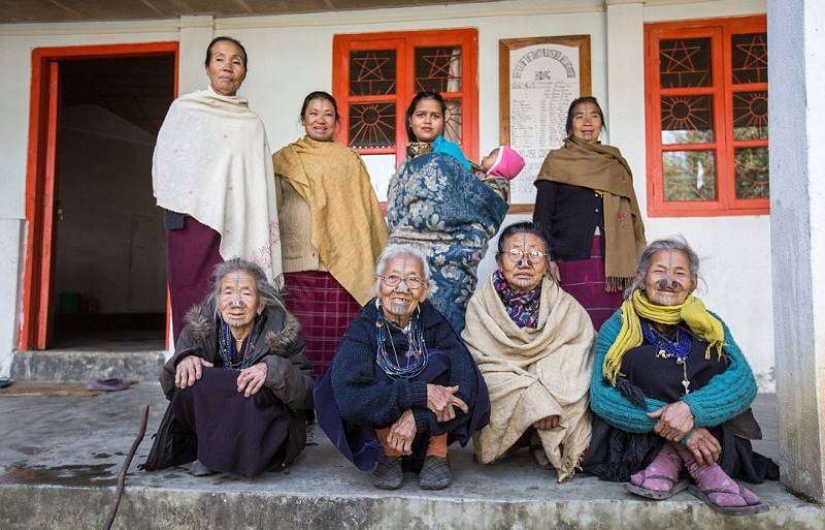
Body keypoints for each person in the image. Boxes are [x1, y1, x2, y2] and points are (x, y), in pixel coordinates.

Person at [583, 238, 776, 515]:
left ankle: (672, 460)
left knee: (715, 358)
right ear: (642, 277)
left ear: (693, 282)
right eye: (659, 271)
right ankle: (703, 468)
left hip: (712, 438)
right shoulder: (619, 324)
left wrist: (691, 409)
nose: (669, 280)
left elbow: (744, 380)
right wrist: (684, 433)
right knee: (640, 360)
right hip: (641, 444)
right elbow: (602, 396)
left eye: (680, 273)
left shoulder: (711, 324)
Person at [314, 244, 490, 490]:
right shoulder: (363, 327)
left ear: (425, 290)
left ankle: (436, 453)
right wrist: (421, 394)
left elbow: (467, 388)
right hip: (379, 427)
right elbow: (350, 398)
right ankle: (389, 453)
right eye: (393, 278)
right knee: (370, 369)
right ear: (379, 284)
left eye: (413, 280)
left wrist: (417, 417)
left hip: (431, 428)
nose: (402, 288)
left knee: (444, 362)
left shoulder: (435, 323)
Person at [153, 36, 281, 341]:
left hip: (239, 224)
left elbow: (257, 180)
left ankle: (233, 367)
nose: (228, 66)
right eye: (220, 59)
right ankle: (191, 366)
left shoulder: (251, 123)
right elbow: (167, 162)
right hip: (192, 221)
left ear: (244, 72)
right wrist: (176, 210)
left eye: (236, 61)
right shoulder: (185, 109)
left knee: (237, 293)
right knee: (191, 296)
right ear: (208, 67)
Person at [142, 259, 312, 477]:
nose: (236, 302)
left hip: (258, 435)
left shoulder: (282, 334)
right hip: (210, 428)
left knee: (253, 386)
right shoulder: (198, 332)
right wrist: (182, 361)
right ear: (218, 301)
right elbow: (170, 388)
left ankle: (227, 457)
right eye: (228, 293)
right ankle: (212, 453)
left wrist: (272, 369)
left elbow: (306, 394)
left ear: (260, 305)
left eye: (246, 294)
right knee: (195, 377)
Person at [462, 222, 594, 482]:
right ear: (500, 262)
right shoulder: (481, 305)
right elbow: (481, 361)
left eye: (535, 254)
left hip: (551, 389)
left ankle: (543, 441)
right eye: (514, 254)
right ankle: (519, 437)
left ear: (547, 263)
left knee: (574, 378)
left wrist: (544, 385)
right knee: (486, 381)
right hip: (508, 385)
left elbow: (579, 351)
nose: (525, 262)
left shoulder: (564, 306)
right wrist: (534, 398)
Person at [272, 91, 387, 375]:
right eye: (313, 113)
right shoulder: (284, 159)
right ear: (303, 119)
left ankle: (340, 404)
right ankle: (301, 403)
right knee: (298, 342)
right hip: (298, 265)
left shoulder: (349, 160)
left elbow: (366, 213)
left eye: (328, 114)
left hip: (343, 270)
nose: (320, 120)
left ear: (336, 121)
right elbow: (270, 209)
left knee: (343, 343)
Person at [388, 91, 508, 333]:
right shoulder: (405, 167)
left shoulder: (451, 156)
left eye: (435, 116)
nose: (427, 121)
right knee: (405, 332)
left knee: (445, 333)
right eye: (421, 115)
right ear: (410, 120)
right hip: (408, 262)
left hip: (450, 265)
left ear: (443, 121)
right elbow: (395, 216)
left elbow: (475, 202)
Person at [533, 96, 645, 331]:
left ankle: (608, 367)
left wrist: (641, 254)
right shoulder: (557, 161)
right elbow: (542, 216)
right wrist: (547, 257)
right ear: (569, 124)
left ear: (601, 123)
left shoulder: (614, 162)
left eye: (594, 115)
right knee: (573, 323)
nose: (587, 122)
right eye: (579, 116)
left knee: (612, 324)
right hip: (570, 256)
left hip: (615, 259)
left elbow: (633, 212)